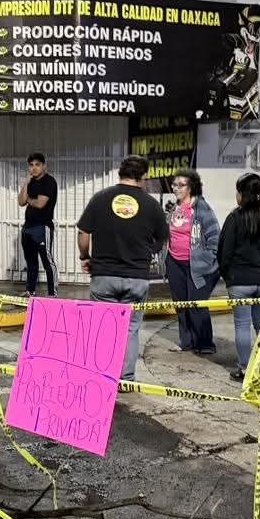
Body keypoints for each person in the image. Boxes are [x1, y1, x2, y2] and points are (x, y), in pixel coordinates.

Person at [76, 155, 168, 382]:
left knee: (103, 328)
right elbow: (163, 239)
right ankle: (126, 378)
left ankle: (103, 376)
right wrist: (147, 251)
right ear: (143, 176)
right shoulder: (151, 204)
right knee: (130, 329)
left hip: (104, 275)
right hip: (136, 277)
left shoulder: (100, 199)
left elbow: (83, 234)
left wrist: (85, 256)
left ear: (121, 173)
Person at [218, 173, 260, 382]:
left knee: (242, 325)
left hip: (240, 280)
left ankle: (245, 368)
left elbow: (224, 252)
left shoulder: (235, 218)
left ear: (242, 193)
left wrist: (229, 276)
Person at [164, 167, 220, 355]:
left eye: (181, 185)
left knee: (196, 304)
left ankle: (205, 343)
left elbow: (214, 238)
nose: (176, 188)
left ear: (191, 187)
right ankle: (186, 341)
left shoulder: (202, 209)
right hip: (175, 263)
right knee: (181, 304)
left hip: (196, 266)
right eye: (174, 184)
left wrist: (206, 261)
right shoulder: (175, 208)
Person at [18, 152, 58, 297]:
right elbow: (21, 201)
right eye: (31, 165)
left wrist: (29, 199)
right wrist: (26, 183)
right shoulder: (31, 182)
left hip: (42, 227)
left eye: (37, 165)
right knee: (31, 262)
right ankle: (30, 291)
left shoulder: (49, 182)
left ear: (44, 166)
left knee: (48, 262)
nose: (34, 168)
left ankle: (52, 294)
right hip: (28, 228)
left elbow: (40, 204)